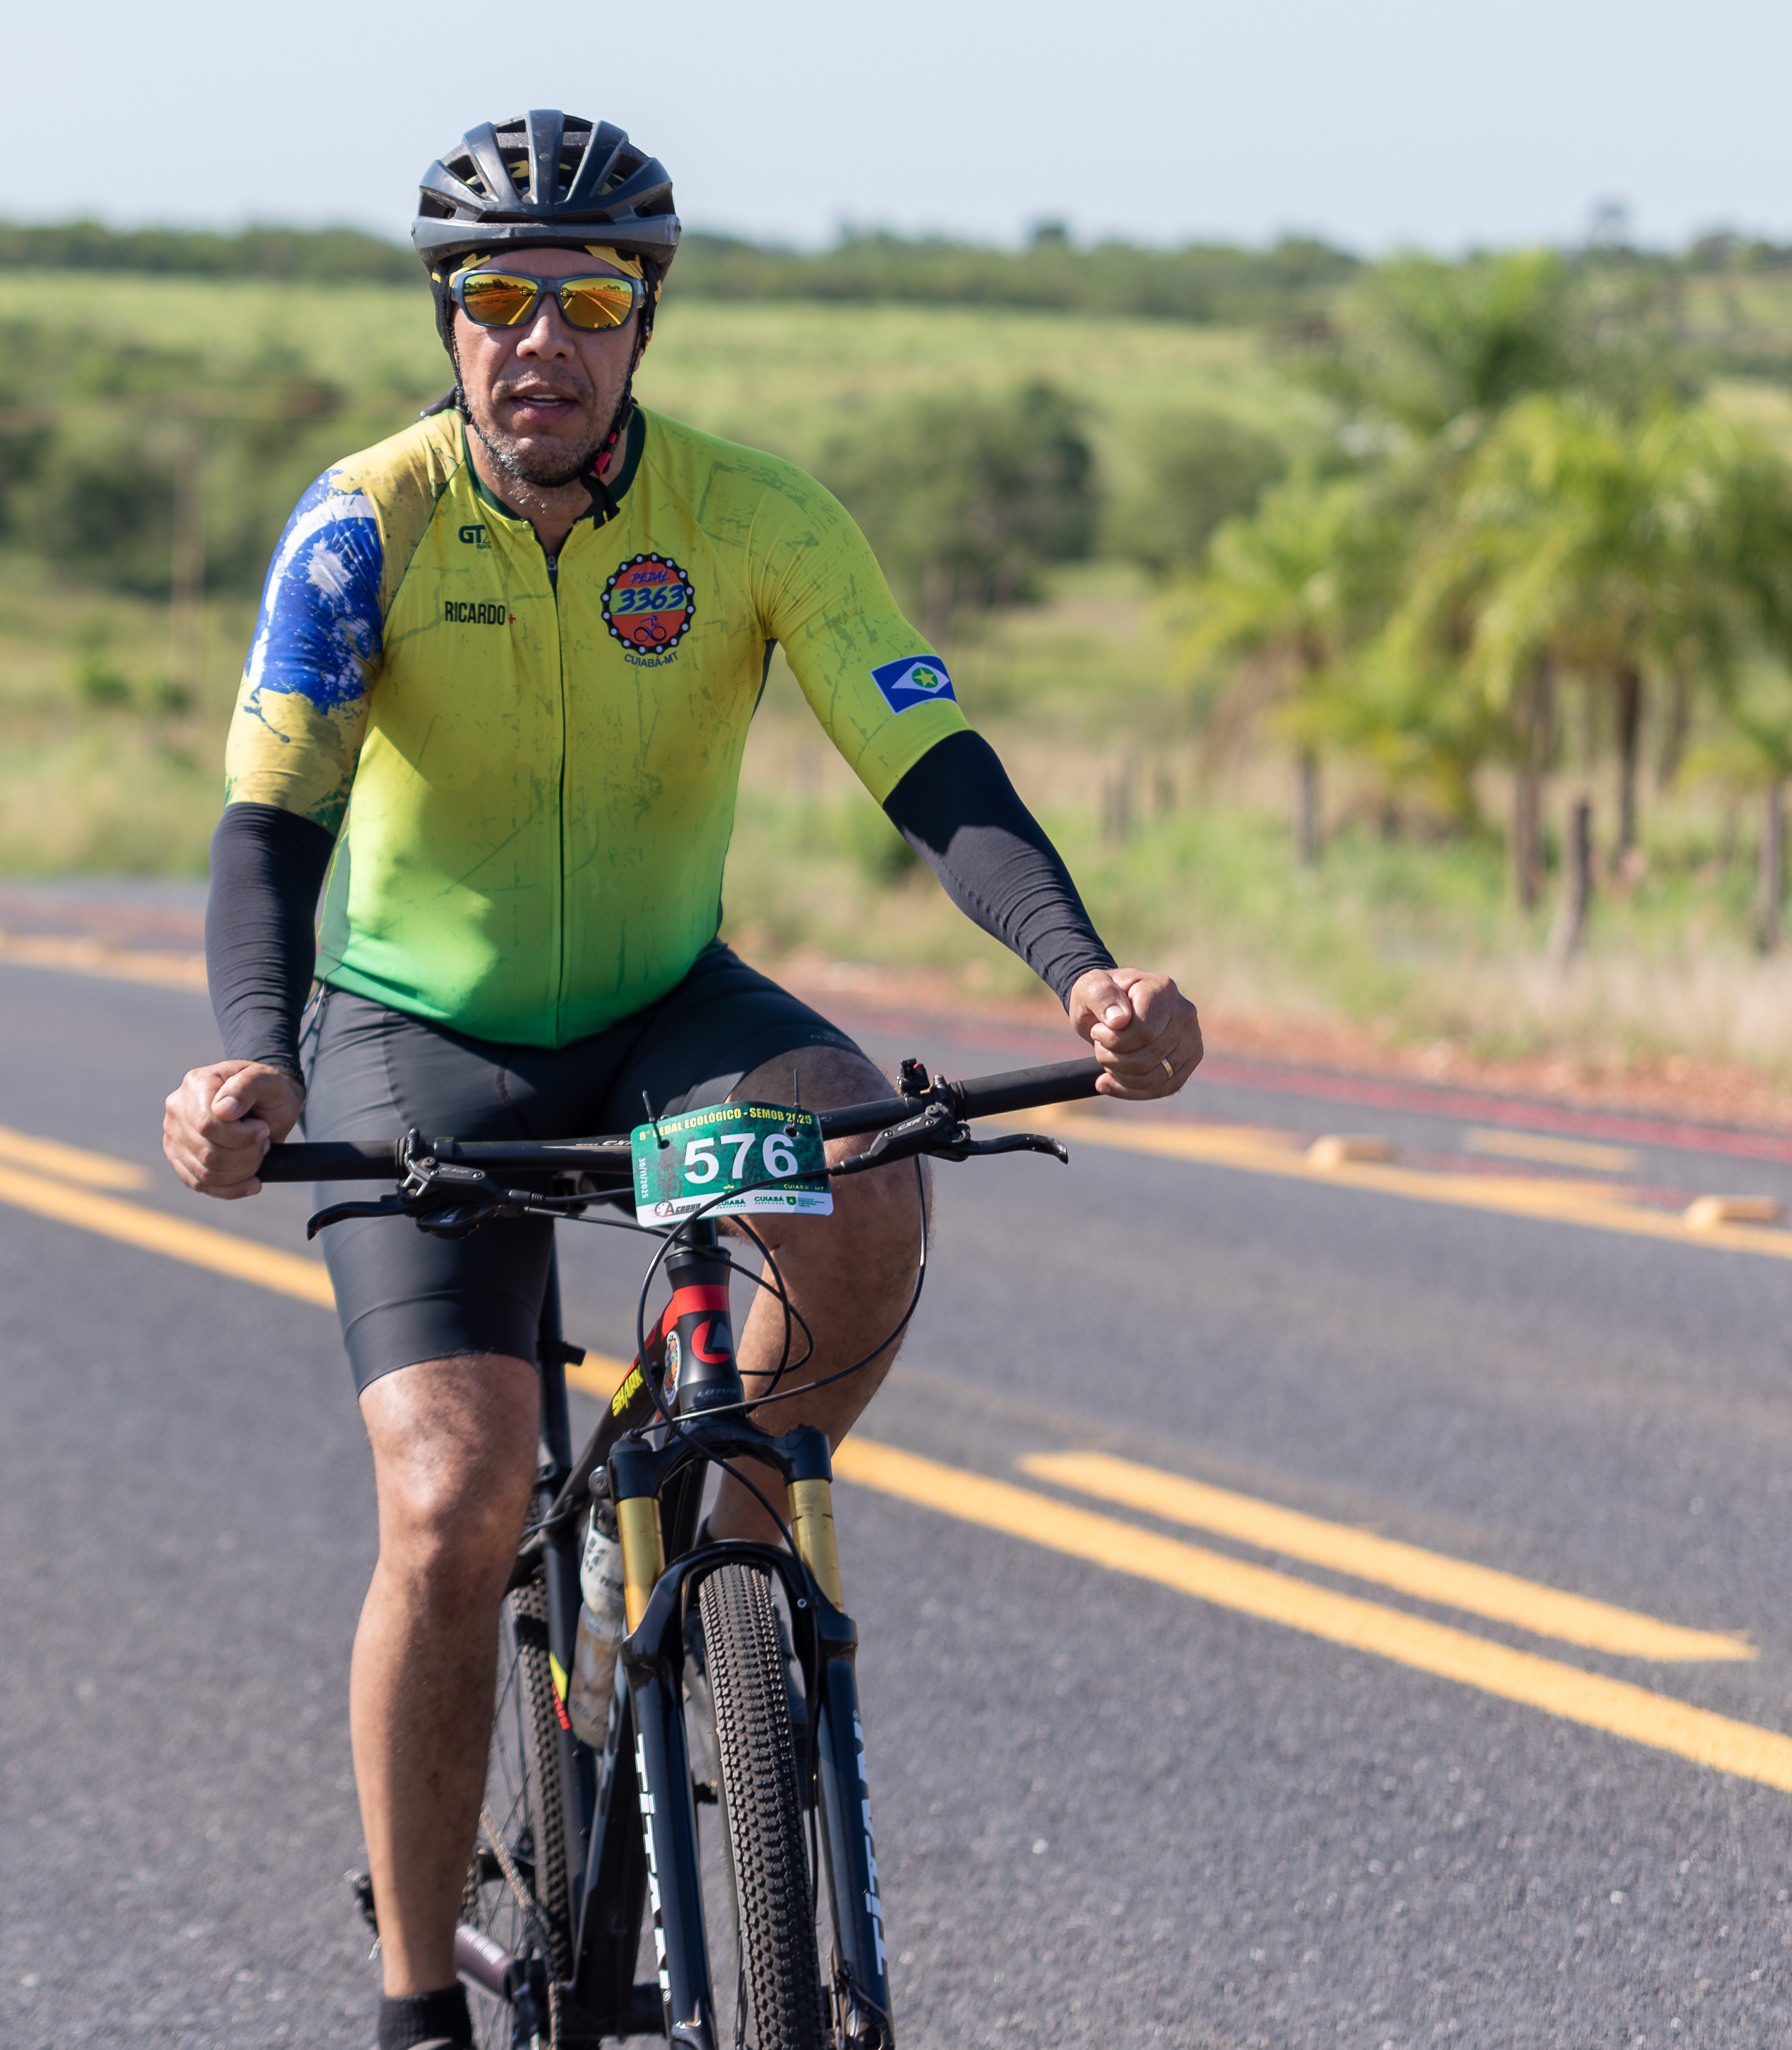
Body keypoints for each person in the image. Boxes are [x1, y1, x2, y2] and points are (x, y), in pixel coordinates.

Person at [160, 110, 1201, 2050]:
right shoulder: (366, 523)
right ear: (447, 319)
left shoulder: (753, 517)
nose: (538, 341)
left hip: (667, 1009)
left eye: (587, 302)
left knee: (868, 1172)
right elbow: (271, 825)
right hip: (418, 1034)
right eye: (497, 299)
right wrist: (247, 1055)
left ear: (646, 321)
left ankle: (723, 1562)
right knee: (455, 1501)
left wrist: (1085, 975)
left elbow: (931, 764)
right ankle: (416, 2006)